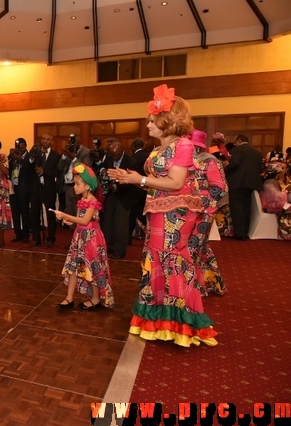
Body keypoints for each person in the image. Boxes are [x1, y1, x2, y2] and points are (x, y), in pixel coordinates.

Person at [108, 84, 217, 347]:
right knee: (156, 261)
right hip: (159, 211)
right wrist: (132, 179)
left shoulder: (183, 146)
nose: (148, 123)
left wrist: (141, 179)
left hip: (176, 215)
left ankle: (178, 324)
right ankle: (158, 319)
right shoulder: (160, 149)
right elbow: (157, 182)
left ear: (166, 120)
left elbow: (176, 182)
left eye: (152, 118)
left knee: (172, 262)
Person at [53, 163, 114, 310]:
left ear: (87, 186)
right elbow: (79, 219)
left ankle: (95, 298)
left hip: (91, 239)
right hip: (79, 236)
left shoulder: (93, 202)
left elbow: (85, 221)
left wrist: (65, 215)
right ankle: (69, 298)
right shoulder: (82, 201)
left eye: (77, 184)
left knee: (92, 268)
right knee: (74, 267)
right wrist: (70, 220)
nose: (74, 186)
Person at [189, 129, 228, 296]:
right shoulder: (186, 161)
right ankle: (210, 281)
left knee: (193, 247)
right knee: (199, 247)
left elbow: (221, 188)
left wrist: (202, 203)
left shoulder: (210, 162)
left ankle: (197, 287)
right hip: (186, 211)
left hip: (204, 212)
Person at [101, 140, 136, 259]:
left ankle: (120, 251)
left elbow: (132, 183)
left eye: (116, 155)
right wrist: (103, 172)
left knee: (120, 225)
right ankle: (109, 246)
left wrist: (115, 187)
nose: (114, 158)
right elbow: (103, 167)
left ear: (122, 151)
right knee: (108, 223)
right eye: (112, 155)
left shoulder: (131, 162)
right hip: (110, 196)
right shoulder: (109, 158)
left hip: (124, 197)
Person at [224, 134, 263, 240]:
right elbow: (260, 169)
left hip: (238, 183)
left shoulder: (238, 149)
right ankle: (245, 232)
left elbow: (234, 163)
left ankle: (239, 233)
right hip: (252, 184)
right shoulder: (256, 152)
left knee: (237, 208)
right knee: (246, 208)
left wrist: (223, 170)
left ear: (239, 141)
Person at [29, 133, 60, 247]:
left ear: (51, 142)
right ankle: (36, 238)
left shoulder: (56, 156)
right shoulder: (36, 154)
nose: (45, 141)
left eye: (48, 139)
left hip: (49, 188)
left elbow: (56, 172)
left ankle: (51, 238)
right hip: (36, 188)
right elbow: (29, 168)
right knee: (34, 213)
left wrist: (43, 171)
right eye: (43, 138)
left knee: (50, 213)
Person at [9, 138, 33, 243]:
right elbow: (9, 170)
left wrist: (19, 159)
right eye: (18, 147)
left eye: (22, 147)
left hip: (24, 188)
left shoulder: (29, 156)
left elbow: (29, 168)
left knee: (24, 212)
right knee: (15, 212)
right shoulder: (13, 157)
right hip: (14, 188)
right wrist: (11, 157)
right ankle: (17, 233)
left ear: (26, 146)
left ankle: (26, 235)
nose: (20, 149)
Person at [129, 137, 150, 241]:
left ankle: (130, 236)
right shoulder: (149, 156)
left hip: (136, 190)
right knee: (146, 214)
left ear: (133, 147)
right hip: (149, 189)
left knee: (134, 214)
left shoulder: (133, 158)